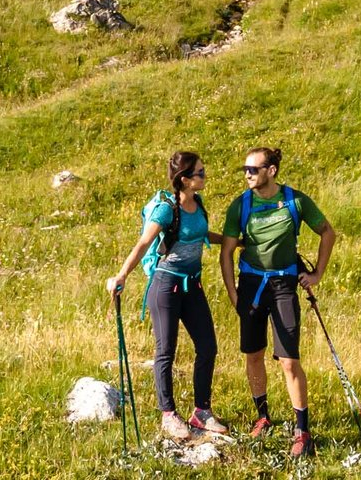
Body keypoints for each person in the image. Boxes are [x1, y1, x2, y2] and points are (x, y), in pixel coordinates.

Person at [218, 146, 337, 459]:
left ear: (271, 171)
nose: (247, 174)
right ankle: (263, 417)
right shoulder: (240, 205)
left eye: (253, 169)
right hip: (252, 285)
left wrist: (317, 274)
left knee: (288, 359)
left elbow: (327, 232)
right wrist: (233, 294)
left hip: (284, 284)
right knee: (253, 354)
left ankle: (302, 431)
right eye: (245, 169)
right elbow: (226, 253)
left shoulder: (295, 200)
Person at [106, 150, 230, 441]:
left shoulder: (197, 204)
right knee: (166, 351)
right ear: (185, 179)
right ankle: (168, 415)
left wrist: (231, 241)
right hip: (165, 287)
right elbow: (143, 243)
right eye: (199, 172)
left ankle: (201, 412)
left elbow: (201, 233)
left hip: (192, 286)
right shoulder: (166, 210)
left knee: (208, 347)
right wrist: (121, 275)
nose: (204, 175)